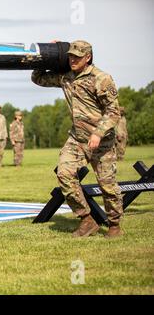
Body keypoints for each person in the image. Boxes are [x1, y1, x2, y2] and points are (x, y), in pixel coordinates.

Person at [32, 40, 123, 238]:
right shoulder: (66, 77)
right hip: (77, 139)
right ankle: (86, 220)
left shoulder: (102, 78)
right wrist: (50, 53)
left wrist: (98, 133)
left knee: (107, 185)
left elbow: (113, 112)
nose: (72, 60)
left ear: (88, 57)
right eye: (70, 56)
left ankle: (114, 225)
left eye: (77, 57)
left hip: (102, 140)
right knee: (64, 174)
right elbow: (37, 78)